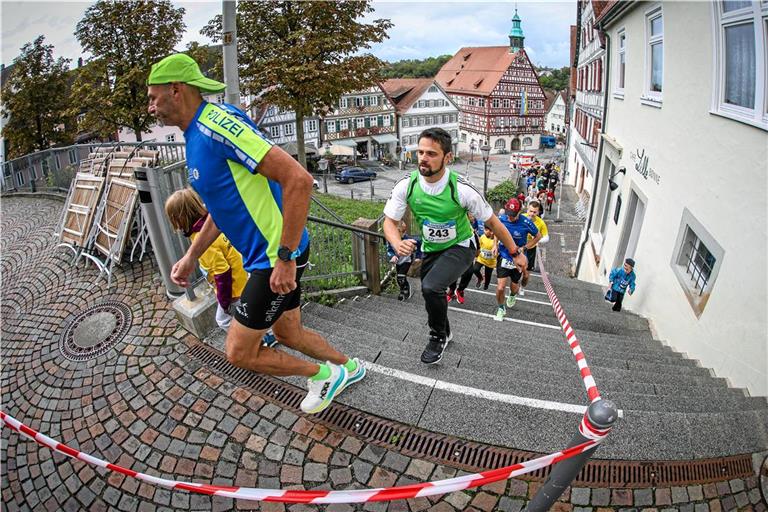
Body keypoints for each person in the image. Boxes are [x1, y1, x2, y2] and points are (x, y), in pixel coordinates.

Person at [147, 53, 365, 414]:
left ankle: (325, 374)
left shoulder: (216, 126)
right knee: (288, 334)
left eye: (154, 97)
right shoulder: (193, 135)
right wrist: (192, 255)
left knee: (239, 351)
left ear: (175, 89)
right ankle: (350, 367)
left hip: (273, 257)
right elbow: (222, 206)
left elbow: (298, 179)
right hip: (270, 255)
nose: (151, 107)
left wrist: (285, 257)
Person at [383, 128, 525, 364]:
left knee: (430, 287)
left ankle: (437, 336)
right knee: (431, 293)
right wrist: (397, 243)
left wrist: (515, 252)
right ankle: (446, 331)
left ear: (447, 158)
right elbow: (389, 221)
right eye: (420, 152)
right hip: (431, 247)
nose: (423, 158)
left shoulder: (462, 189)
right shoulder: (406, 185)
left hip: (461, 245)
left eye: (431, 153)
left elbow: (493, 222)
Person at [164, 188, 248, 330]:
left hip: (235, 290)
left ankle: (248, 343)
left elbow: (222, 273)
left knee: (223, 320)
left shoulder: (201, 241)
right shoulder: (211, 225)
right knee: (251, 315)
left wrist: (225, 301)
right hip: (243, 277)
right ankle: (265, 336)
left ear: (179, 218)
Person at [494, 198, 540, 321]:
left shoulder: (526, 222)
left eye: (513, 215)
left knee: (514, 286)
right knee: (500, 287)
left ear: (520, 212)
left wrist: (525, 247)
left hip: (518, 259)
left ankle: (513, 295)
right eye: (509, 214)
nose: (511, 218)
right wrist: (495, 245)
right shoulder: (502, 219)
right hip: (504, 256)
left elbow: (538, 236)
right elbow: (496, 231)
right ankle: (500, 308)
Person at [386, 220, 422, 301]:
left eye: (399, 231)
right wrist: (392, 256)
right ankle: (403, 289)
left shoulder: (409, 239)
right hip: (398, 262)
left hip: (406, 260)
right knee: (399, 278)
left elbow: (420, 243)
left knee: (401, 276)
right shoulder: (391, 240)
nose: (396, 234)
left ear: (404, 232)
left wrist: (418, 256)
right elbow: (389, 250)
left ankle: (405, 290)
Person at [519, 200, 549, 296]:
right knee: (515, 270)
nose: (532, 214)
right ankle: (514, 286)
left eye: (534, 212)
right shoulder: (521, 217)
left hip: (530, 250)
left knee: (526, 274)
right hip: (518, 247)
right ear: (527, 210)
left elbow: (546, 237)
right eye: (530, 211)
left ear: (538, 212)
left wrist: (537, 240)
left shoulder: (541, 223)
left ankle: (522, 287)